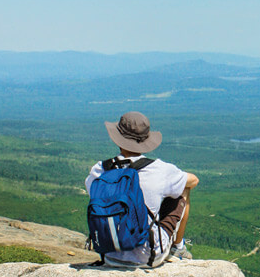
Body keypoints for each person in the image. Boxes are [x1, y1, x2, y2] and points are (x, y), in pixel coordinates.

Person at [85, 111, 198, 267]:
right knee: (182, 190)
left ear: (118, 139)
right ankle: (178, 247)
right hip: (149, 257)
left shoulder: (99, 170)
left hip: (108, 254)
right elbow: (193, 180)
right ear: (145, 141)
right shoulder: (160, 169)